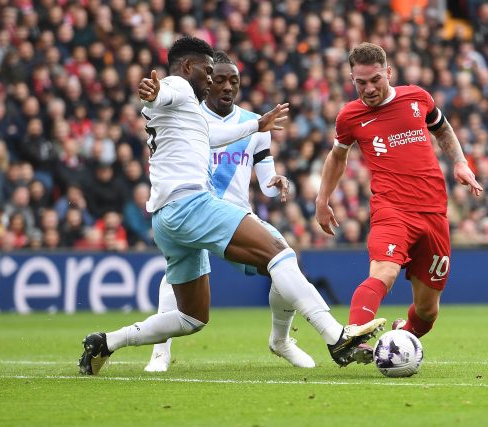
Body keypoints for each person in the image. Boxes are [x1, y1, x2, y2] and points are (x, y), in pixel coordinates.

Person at [78, 36, 385, 376]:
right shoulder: (177, 87)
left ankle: (106, 342)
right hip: (190, 204)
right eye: (208, 72)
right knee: (279, 252)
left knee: (191, 317)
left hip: (165, 218)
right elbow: (164, 90)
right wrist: (154, 90)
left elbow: (209, 137)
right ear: (187, 67)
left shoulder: (188, 111)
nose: (211, 80)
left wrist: (256, 125)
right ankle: (335, 336)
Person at [145, 51, 314, 371]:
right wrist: (157, 94)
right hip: (196, 208)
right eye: (218, 78)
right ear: (206, 81)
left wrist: (275, 181)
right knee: (173, 279)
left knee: (282, 265)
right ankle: (159, 353)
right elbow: (160, 102)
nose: (226, 86)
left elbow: (264, 179)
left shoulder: (255, 123)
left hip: (234, 214)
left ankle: (281, 340)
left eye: (233, 81)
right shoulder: (188, 115)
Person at [315, 42, 483, 362]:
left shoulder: (417, 98)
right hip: (391, 209)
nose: (368, 89)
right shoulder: (350, 117)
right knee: (384, 271)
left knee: (427, 311)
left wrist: (460, 162)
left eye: (375, 79)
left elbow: (443, 129)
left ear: (388, 73)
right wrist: (323, 200)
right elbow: (337, 157)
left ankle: (401, 336)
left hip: (434, 212)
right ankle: (350, 338)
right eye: (360, 82)